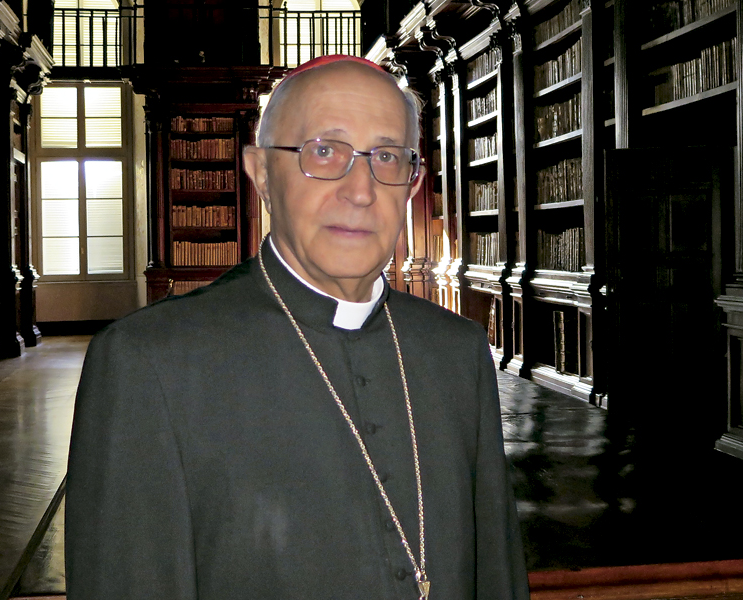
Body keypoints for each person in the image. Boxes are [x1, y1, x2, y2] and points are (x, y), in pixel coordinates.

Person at [66, 55, 529, 600]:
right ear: (262, 173)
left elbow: (496, 571)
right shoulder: (147, 362)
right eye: (325, 151)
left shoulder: (457, 350)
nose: (361, 191)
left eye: (386, 157)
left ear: (413, 183)